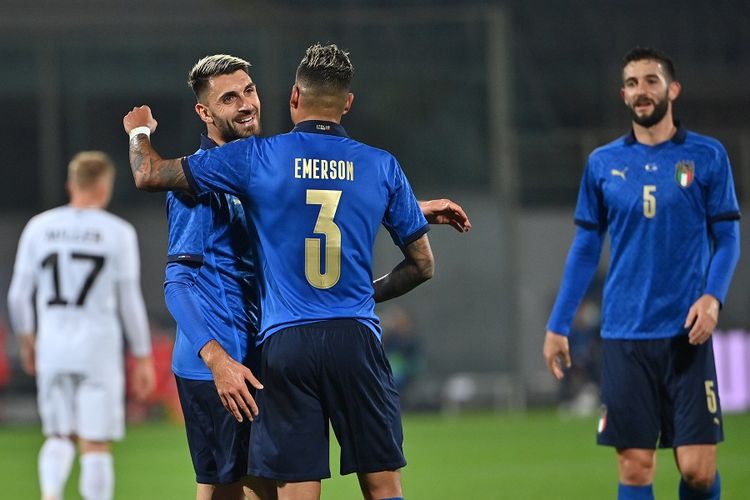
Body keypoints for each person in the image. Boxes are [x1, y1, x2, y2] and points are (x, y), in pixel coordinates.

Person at [124, 42, 435, 500]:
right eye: (229, 98)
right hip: (222, 362)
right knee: (228, 492)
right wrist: (218, 361)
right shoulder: (202, 184)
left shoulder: (261, 164)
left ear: (289, 98)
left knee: (265, 493)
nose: (246, 104)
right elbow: (179, 280)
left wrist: (415, 209)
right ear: (204, 112)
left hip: (269, 352)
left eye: (248, 91)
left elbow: (308, 214)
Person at [543, 47, 741, 500]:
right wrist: (558, 325)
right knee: (635, 467)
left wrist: (713, 297)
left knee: (697, 472)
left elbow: (727, 237)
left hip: (685, 333)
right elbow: (587, 246)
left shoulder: (707, 155)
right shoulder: (603, 163)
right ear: (623, 95)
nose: (641, 91)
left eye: (651, 81)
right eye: (632, 83)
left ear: (672, 89)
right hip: (624, 335)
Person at [7, 151, 156, 500]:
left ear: (71, 184)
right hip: (97, 350)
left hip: (53, 347)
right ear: (105, 187)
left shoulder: (39, 227)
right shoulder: (117, 233)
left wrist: (28, 342)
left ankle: (51, 493)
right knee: (95, 442)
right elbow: (128, 300)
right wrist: (144, 355)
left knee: (58, 435)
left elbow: (17, 297)